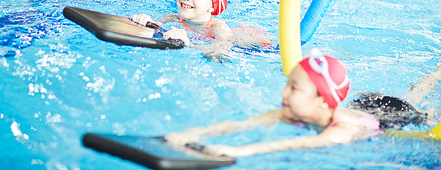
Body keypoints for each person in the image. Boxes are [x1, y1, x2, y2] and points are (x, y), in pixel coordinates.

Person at [165, 49, 434, 157]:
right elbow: (242, 123)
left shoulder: (342, 132)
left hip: (390, 118)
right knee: (413, 93)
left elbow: (296, 143)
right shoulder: (291, 111)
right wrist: (195, 134)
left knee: (418, 105)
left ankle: (434, 75)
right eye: (287, 83)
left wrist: (240, 151)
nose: (284, 93)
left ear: (321, 100)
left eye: (294, 88)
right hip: (362, 105)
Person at [132, 0, 234, 60]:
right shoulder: (174, 17)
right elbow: (156, 24)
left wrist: (189, 44)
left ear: (212, 6)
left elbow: (220, 52)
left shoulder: (218, 28)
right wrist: (145, 21)